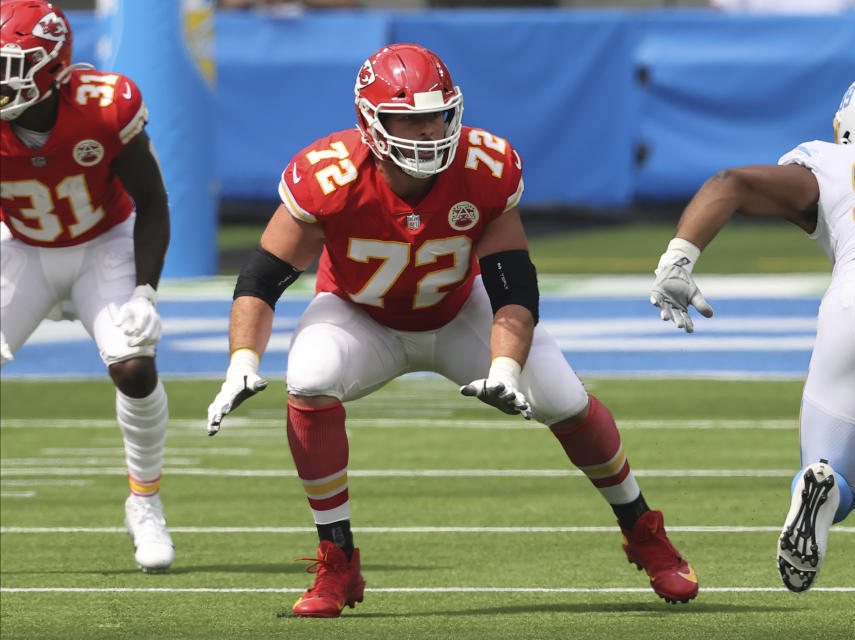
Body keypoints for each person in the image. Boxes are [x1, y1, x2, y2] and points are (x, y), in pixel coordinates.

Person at [206, 42, 699, 617]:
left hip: (460, 309)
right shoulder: (328, 174)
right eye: (406, 119)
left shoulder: (484, 166)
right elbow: (261, 279)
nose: (425, 131)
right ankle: (337, 560)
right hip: (360, 316)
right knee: (309, 375)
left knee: (564, 398)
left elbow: (513, 285)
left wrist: (506, 368)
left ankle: (643, 531)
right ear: (371, 122)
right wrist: (242, 360)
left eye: (435, 114)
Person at [649, 65, 855, 592]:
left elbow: (732, 183)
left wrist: (677, 260)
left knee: (833, 474)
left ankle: (821, 488)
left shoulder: (831, 159)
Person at [0, 1, 174, 573]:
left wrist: (146, 291)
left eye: (10, 65)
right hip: (21, 247)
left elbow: (151, 202)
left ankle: (144, 503)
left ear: (50, 68)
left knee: (134, 365)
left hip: (103, 242)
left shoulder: (105, 107)